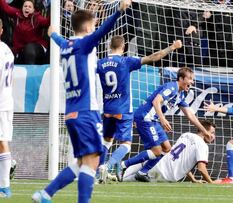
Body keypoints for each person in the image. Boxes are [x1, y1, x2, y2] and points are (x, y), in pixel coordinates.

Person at [31, 1, 132, 203]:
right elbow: (104, 30)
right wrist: (119, 11)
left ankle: (45, 194)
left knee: (81, 162)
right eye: (93, 25)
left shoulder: (66, 45)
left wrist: (52, 34)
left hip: (71, 113)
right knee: (93, 160)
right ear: (87, 28)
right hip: (86, 111)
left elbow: (58, 39)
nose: (95, 27)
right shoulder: (84, 44)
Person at [96, 35, 182, 183]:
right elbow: (154, 57)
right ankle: (108, 166)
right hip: (123, 110)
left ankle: (98, 174)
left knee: (107, 142)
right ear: (123, 48)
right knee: (126, 145)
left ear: (110, 46)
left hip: (107, 109)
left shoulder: (100, 63)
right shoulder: (126, 61)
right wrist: (171, 47)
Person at [119, 67, 213, 182]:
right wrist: (163, 119)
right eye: (190, 79)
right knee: (157, 151)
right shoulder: (172, 87)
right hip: (145, 117)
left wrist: (204, 131)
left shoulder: (181, 95)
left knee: (167, 148)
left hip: (153, 120)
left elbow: (190, 115)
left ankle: (142, 172)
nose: (192, 82)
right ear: (181, 78)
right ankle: (123, 165)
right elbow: (156, 101)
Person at [122, 120, 216, 183]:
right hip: (166, 176)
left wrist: (193, 179)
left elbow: (181, 161)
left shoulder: (186, 135)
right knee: (127, 181)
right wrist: (211, 183)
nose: (213, 136)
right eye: (212, 133)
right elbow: (201, 169)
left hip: (158, 164)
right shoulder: (203, 146)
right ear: (204, 131)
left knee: (122, 179)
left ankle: (118, 169)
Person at [0, 0, 50, 64]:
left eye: (29, 7)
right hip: (20, 50)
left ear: (33, 10)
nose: (27, 8)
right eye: (25, 6)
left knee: (29, 49)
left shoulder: (37, 18)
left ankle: (31, 72)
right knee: (6, 51)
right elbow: (6, 8)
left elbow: (47, 22)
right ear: (22, 8)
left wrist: (55, 11)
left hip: (37, 49)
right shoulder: (17, 14)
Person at [0, 18, 15, 198]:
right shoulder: (7, 50)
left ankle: (4, 186)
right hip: (5, 101)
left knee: (2, 142)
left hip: (1, 103)